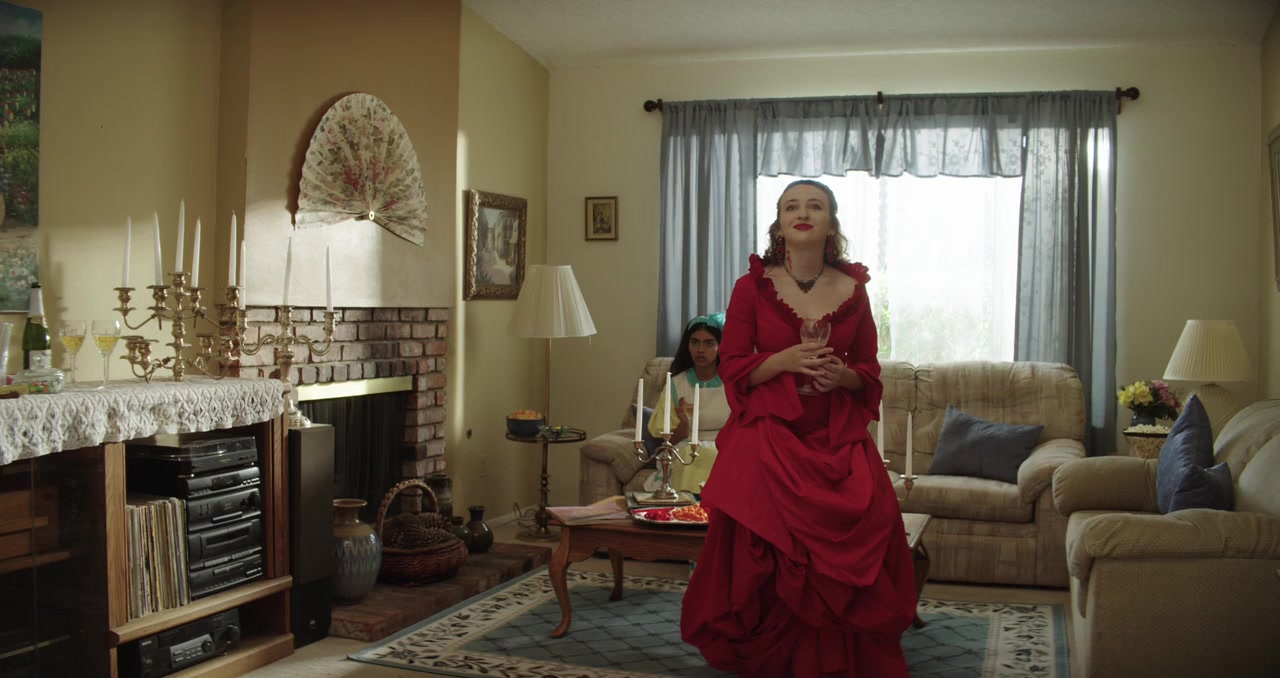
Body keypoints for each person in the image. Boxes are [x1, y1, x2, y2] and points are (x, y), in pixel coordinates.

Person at [681, 179, 917, 677]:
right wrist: (783, 360)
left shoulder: (854, 289)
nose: (802, 213)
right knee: (760, 536)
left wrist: (843, 376)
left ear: (831, 223)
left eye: (815, 206)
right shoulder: (752, 287)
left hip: (836, 436)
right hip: (769, 432)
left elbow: (869, 369)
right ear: (779, 223)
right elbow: (733, 365)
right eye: (791, 206)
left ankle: (840, 652)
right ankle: (768, 650)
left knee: (874, 516)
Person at [643, 313, 729, 493]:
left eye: (709, 343)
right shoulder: (676, 384)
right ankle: (690, 505)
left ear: (720, 346)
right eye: (695, 342)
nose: (700, 349)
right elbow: (666, 441)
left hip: (725, 445)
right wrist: (683, 425)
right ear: (687, 346)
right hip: (686, 448)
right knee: (698, 455)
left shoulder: (731, 382)